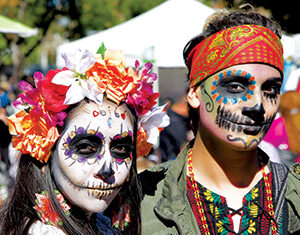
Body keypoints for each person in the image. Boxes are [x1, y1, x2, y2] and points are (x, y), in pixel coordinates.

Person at [140, 6, 300, 235]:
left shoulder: (295, 194)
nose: (258, 105)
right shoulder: (142, 199)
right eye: (235, 86)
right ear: (194, 93)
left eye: (271, 89)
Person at [0, 45, 169, 235]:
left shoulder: (101, 225)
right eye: (86, 147)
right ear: (45, 151)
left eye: (121, 150)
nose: (107, 169)